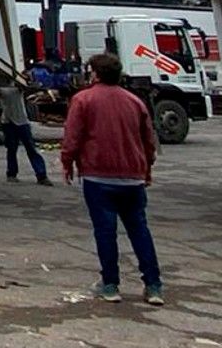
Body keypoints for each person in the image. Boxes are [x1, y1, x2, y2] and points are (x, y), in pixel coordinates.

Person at [60, 53, 164, 306]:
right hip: (132, 177)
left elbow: (72, 137)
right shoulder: (135, 102)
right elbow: (148, 141)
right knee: (139, 231)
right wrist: (146, 169)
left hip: (98, 177)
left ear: (94, 73)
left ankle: (110, 285)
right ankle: (153, 286)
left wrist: (67, 163)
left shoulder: (83, 100)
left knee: (105, 233)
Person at [0, 75, 50, 185]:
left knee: (31, 148)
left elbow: (26, 87)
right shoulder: (0, 87)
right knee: (11, 149)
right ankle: (11, 174)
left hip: (22, 121)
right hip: (8, 122)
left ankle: (41, 175)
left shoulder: (17, 84)